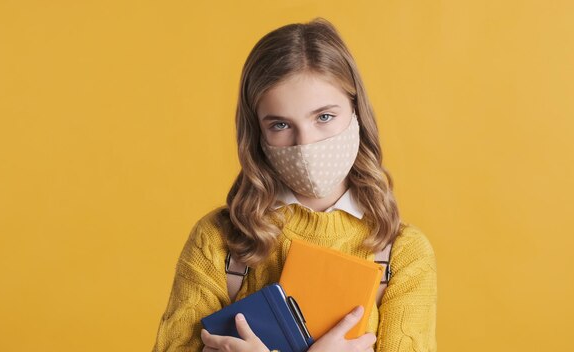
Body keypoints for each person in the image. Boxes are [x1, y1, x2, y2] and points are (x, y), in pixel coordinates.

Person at [152, 17, 437, 352]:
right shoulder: (217, 242)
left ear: (356, 112)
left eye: (324, 117)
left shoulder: (403, 254)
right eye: (281, 124)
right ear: (257, 133)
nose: (306, 144)